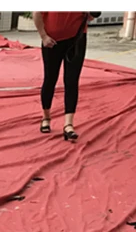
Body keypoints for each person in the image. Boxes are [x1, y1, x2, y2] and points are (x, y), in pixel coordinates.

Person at [33, 12, 97, 141]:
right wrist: (43, 36)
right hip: (52, 41)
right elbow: (37, 13)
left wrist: (92, 14)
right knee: (50, 79)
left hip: (77, 39)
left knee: (72, 80)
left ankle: (69, 124)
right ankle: (46, 117)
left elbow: (91, 15)